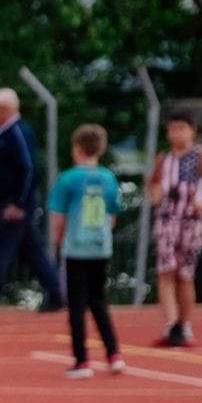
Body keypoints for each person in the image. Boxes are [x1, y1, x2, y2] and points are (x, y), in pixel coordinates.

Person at [0, 87, 65, 314]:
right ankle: (57, 292)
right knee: (32, 251)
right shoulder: (1, 134)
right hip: (9, 201)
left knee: (0, 251)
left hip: (16, 204)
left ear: (4, 110)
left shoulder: (17, 132)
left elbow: (28, 170)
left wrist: (18, 203)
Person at [147, 110, 202, 348]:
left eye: (181, 129)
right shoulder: (164, 158)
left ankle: (184, 325)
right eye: (172, 129)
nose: (176, 134)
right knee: (166, 271)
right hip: (167, 219)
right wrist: (154, 195)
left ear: (192, 131)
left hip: (191, 220)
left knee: (185, 274)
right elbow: (153, 183)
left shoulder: (200, 155)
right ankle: (171, 324)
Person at [46, 124, 125, 378]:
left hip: (76, 248)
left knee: (77, 305)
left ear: (77, 149)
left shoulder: (67, 179)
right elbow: (112, 216)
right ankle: (113, 354)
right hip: (101, 247)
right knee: (99, 301)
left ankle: (81, 360)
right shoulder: (108, 178)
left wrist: (58, 242)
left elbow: (58, 218)